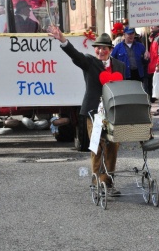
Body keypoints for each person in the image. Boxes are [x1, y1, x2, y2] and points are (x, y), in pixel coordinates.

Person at [48, 27, 126, 196]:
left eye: (104, 48)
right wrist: (63, 40)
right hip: (94, 113)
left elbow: (122, 88)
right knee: (97, 145)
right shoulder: (90, 62)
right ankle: (96, 181)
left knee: (113, 145)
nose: (101, 50)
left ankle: (108, 182)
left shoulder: (120, 66)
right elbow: (76, 56)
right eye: (98, 47)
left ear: (110, 50)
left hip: (113, 113)